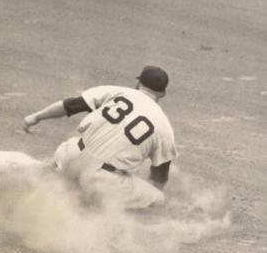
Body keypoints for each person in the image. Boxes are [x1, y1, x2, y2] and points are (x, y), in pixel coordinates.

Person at [23, 66, 177, 209]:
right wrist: (149, 193)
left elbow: (70, 105)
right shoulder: (164, 127)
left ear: (138, 83)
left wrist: (36, 117)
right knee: (158, 198)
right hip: (101, 182)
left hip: (70, 158)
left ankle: (48, 177)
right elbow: (160, 174)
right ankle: (97, 208)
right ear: (163, 93)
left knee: (74, 146)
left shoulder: (116, 92)